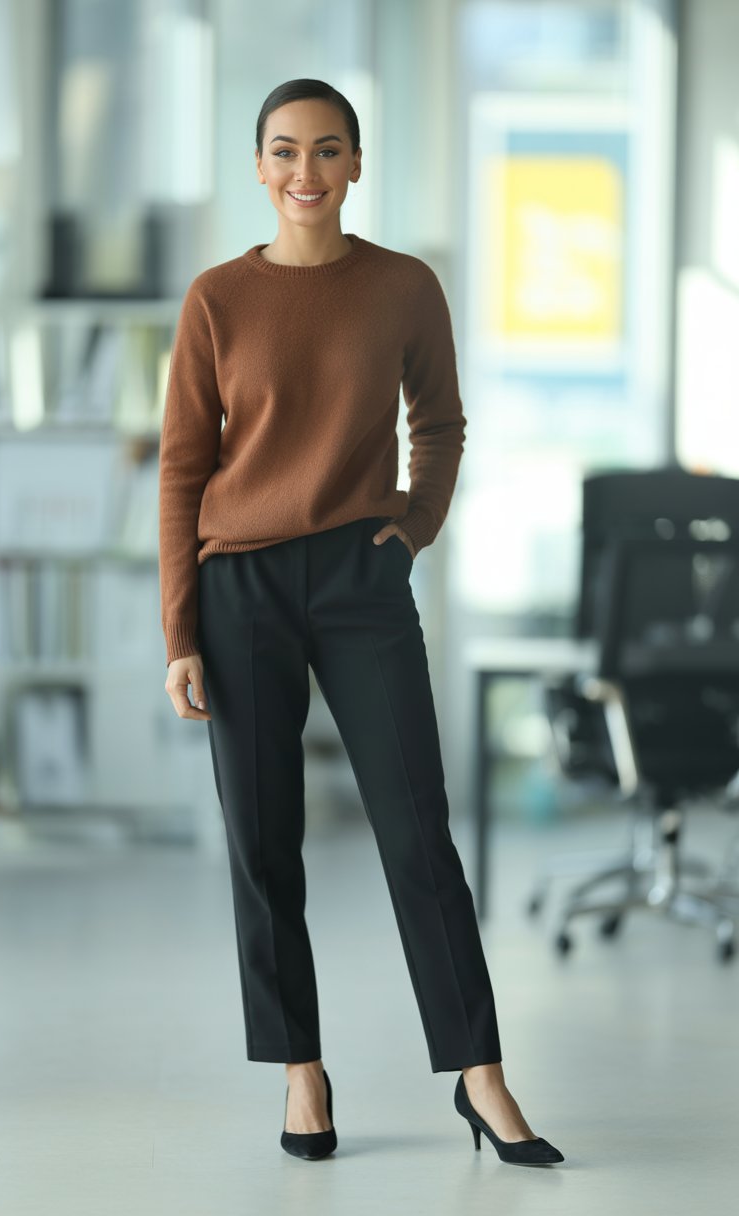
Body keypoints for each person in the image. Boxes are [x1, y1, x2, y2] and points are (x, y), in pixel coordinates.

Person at [158, 78, 564, 1168]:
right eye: (284, 151)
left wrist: (414, 526)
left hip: (360, 578)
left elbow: (439, 421)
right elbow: (184, 468)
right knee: (262, 839)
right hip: (239, 583)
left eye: (327, 150)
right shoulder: (213, 298)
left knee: (416, 831)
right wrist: (179, 630)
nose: (305, 171)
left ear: (355, 164)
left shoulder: (401, 286)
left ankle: (479, 1074)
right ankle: (301, 1071)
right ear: (258, 167)